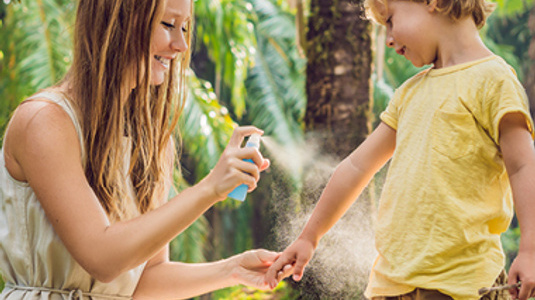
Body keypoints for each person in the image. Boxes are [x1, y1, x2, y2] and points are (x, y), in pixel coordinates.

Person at [0, 0, 292, 299]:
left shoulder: (150, 141)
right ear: (116, 21)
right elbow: (102, 258)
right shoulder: (45, 121)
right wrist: (210, 189)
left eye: (185, 28)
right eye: (167, 25)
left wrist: (232, 270)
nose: (180, 45)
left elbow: (144, 279)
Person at [264, 0, 535, 298]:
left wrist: (530, 250)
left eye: (391, 20)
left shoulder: (493, 80)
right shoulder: (408, 94)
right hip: (390, 286)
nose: (389, 39)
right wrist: (309, 237)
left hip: (462, 285)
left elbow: (523, 167)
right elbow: (357, 167)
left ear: (433, 3)